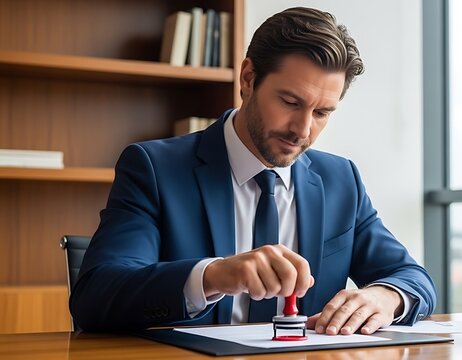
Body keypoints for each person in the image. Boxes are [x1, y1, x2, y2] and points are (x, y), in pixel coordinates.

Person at [70, 6, 436, 335]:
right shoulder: (154, 168)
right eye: (290, 102)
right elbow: (96, 296)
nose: (303, 129)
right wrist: (213, 275)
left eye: (322, 112)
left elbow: (413, 279)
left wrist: (386, 297)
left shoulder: (341, 181)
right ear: (248, 78)